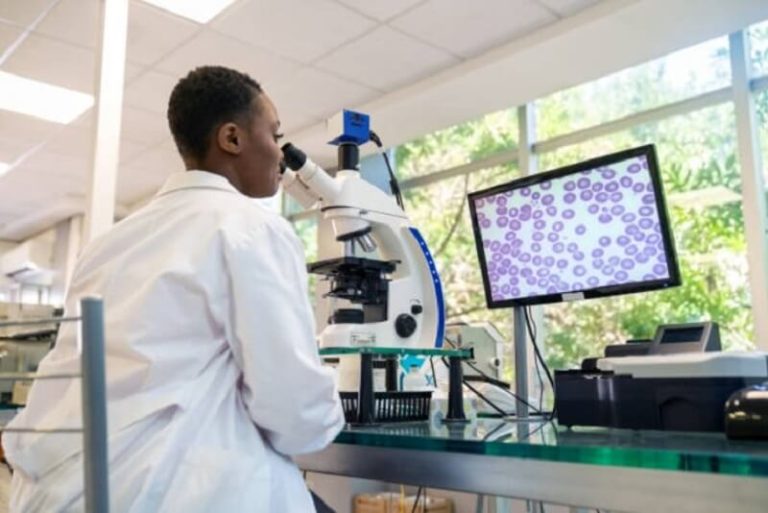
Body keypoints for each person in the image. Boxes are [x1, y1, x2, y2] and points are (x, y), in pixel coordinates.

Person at [3, 66, 345, 512]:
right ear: (232, 138)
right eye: (275, 135)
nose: (281, 154)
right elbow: (298, 418)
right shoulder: (250, 227)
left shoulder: (108, 244)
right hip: (175, 492)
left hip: (70, 493)